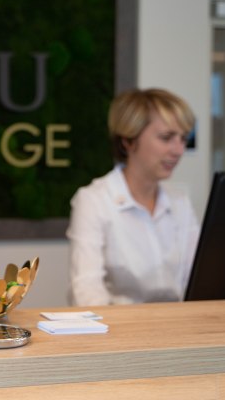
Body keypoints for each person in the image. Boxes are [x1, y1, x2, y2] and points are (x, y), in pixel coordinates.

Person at [67, 88, 200, 306]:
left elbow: (197, 280)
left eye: (183, 139)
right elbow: (86, 291)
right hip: (119, 324)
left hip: (178, 322)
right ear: (128, 141)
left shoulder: (180, 202)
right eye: (166, 138)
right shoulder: (94, 200)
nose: (178, 150)